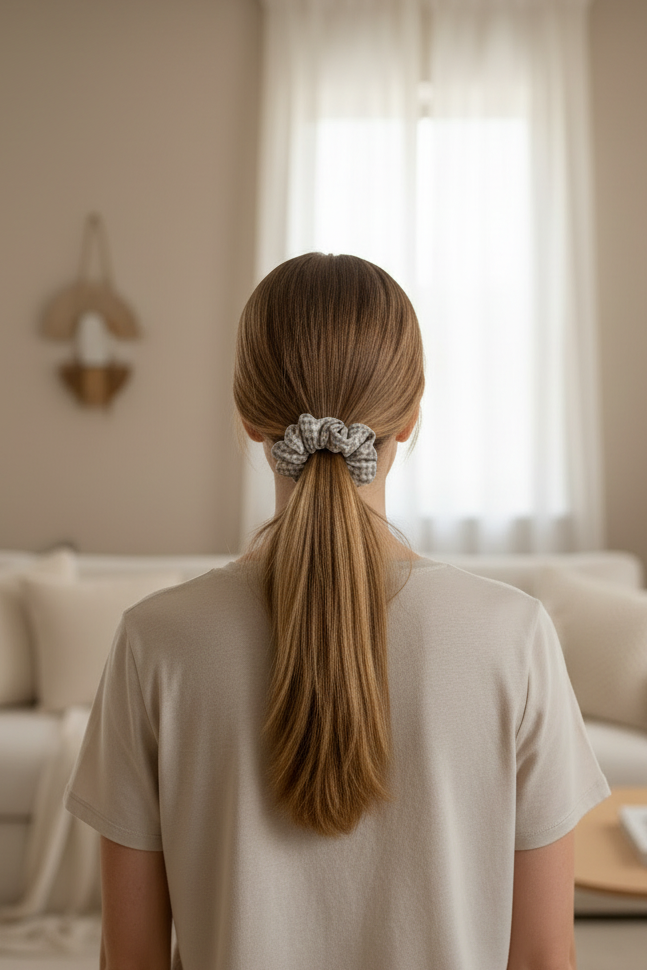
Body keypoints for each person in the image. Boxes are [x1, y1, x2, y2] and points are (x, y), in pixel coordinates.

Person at [64, 253, 610, 970]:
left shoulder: (154, 641)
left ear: (247, 415)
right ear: (410, 415)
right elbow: (542, 957)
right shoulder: (514, 637)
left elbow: (130, 957)